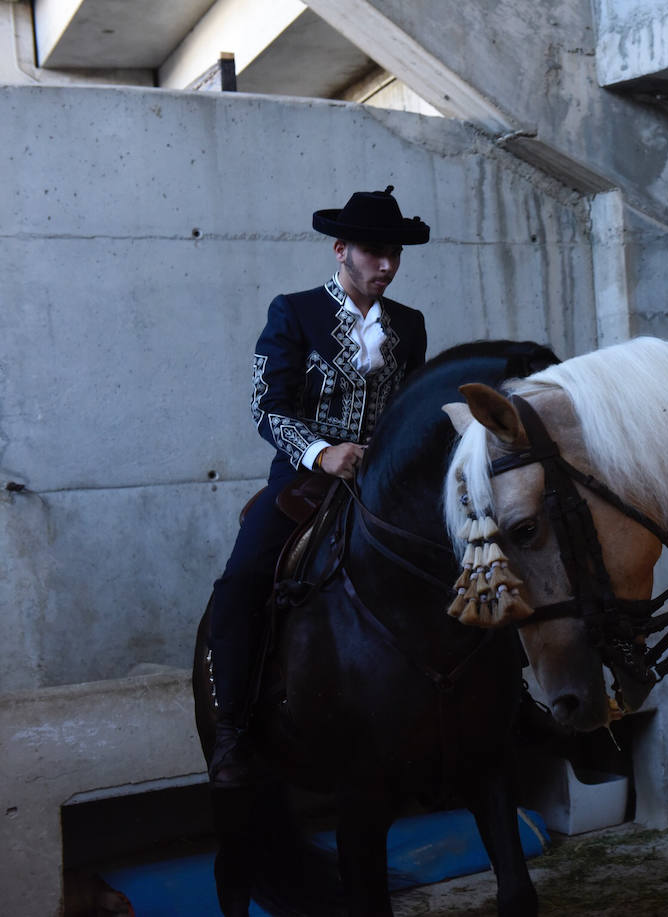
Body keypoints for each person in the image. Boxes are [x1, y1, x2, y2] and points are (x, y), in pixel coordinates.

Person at [206, 186, 430, 788]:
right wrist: (322, 453)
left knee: (472, 552)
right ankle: (231, 727)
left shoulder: (409, 326)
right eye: (375, 252)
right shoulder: (295, 312)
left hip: (387, 481)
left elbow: (410, 408)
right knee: (242, 581)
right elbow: (266, 406)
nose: (387, 265)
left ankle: (512, 699)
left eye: (396, 254)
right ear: (340, 250)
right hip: (304, 479)